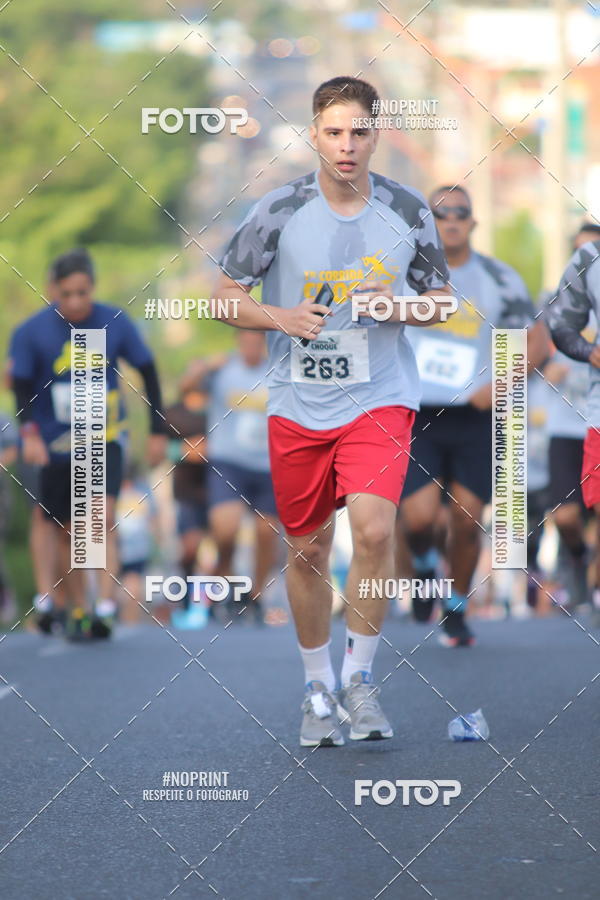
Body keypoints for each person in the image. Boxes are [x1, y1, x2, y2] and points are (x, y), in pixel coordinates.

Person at [212, 76, 454, 746]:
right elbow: (222, 297)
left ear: (376, 136)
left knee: (375, 532)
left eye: (359, 132)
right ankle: (317, 689)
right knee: (310, 548)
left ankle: (361, 681)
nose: (347, 145)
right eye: (334, 131)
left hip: (379, 397)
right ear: (314, 134)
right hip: (298, 402)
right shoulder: (278, 210)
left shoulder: (407, 208)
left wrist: (396, 306)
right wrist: (280, 316)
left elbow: (443, 299)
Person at [401, 184, 548, 644]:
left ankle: (457, 608)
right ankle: (425, 568)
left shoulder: (499, 278)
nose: (451, 221)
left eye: (460, 213)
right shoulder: (402, 274)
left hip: (477, 414)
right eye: (441, 213)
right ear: (428, 222)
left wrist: (499, 385)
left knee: (467, 519)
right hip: (418, 410)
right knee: (419, 519)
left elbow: (538, 343)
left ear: (473, 222)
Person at [8, 248, 166, 640]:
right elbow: (22, 386)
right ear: (52, 291)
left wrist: (159, 430)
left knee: (100, 518)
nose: (76, 303)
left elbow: (147, 370)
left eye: (83, 293)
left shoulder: (114, 321)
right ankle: (78, 607)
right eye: (67, 294)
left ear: (92, 288)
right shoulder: (31, 333)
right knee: (65, 530)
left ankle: (106, 605)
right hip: (52, 444)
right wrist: (28, 434)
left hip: (104, 438)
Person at [179, 332, 279, 625]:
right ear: (237, 340)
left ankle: (256, 596)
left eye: (257, 341)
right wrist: (202, 367)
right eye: (246, 340)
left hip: (267, 465)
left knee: (266, 531)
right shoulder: (223, 369)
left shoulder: (276, 370)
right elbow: (186, 389)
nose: (251, 346)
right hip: (228, 461)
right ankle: (228, 577)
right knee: (225, 529)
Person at [541, 224, 600, 611]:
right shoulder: (553, 299)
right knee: (565, 517)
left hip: (591, 414)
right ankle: (579, 561)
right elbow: (531, 348)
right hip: (565, 425)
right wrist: (550, 363)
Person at [163, 385, 212, 629]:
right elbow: (157, 448)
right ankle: (184, 592)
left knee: (223, 547)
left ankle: (220, 602)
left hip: (219, 488)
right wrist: (182, 450)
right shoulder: (174, 413)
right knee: (191, 547)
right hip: (187, 492)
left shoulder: (220, 408)